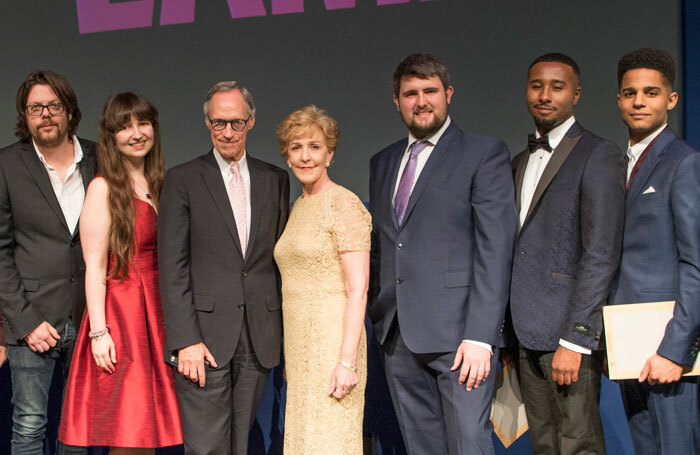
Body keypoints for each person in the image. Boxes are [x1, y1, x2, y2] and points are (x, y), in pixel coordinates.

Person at [368, 53, 518, 454]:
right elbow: (385, 244)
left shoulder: (483, 153)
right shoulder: (382, 162)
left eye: (430, 91)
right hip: (398, 336)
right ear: (396, 101)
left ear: (448, 94)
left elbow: (495, 247)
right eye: (410, 93)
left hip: (460, 338)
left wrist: (482, 336)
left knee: (468, 443)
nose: (421, 101)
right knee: (422, 447)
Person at [158, 81, 289, 455]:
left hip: (258, 337)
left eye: (235, 122)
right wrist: (184, 339)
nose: (227, 132)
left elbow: (274, 260)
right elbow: (172, 265)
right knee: (206, 447)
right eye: (218, 123)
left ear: (250, 122)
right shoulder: (182, 179)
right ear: (207, 123)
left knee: (239, 446)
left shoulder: (275, 179)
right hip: (203, 338)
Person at [508, 53, 626, 455]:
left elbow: (601, 253)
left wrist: (576, 340)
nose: (545, 95)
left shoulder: (599, 154)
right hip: (525, 333)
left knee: (578, 445)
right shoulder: (519, 161)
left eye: (557, 87)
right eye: (536, 85)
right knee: (545, 445)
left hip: (568, 335)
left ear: (575, 94)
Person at [58, 93, 182, 452]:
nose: (136, 133)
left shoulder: (161, 184)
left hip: (157, 316)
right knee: (128, 430)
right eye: (125, 126)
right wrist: (99, 332)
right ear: (111, 136)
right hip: (122, 318)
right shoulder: (103, 188)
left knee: (147, 433)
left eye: (143, 123)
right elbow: (95, 266)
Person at [0, 70, 96, 455]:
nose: (45, 114)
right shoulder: (7, 165)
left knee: (78, 429)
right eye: (35, 107)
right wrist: (24, 322)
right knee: (28, 425)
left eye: (53, 106)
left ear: (69, 111)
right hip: (31, 319)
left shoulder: (99, 157)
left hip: (91, 318)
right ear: (24, 116)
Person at [611, 48, 700, 455]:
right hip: (627, 344)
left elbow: (695, 263)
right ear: (619, 100)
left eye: (650, 92)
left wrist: (674, 349)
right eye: (630, 93)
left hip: (666, 350)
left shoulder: (683, 163)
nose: (639, 101)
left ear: (671, 99)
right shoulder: (615, 165)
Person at [274, 105, 371, 454]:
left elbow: (358, 288)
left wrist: (347, 362)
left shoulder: (344, 204)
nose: (305, 156)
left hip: (334, 348)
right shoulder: (296, 207)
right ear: (287, 156)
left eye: (314, 147)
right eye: (296, 147)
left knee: (329, 440)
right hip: (300, 353)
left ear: (329, 154)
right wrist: (289, 356)